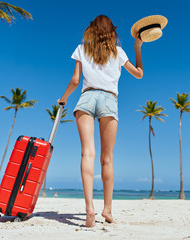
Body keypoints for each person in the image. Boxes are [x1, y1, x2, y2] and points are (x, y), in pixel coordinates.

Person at [57, 15, 143, 227]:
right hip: (109, 101)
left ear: (92, 30)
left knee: (87, 153)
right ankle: (107, 209)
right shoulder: (119, 53)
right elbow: (139, 74)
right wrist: (137, 46)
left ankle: (89, 210)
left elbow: (76, 80)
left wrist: (64, 98)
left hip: (86, 98)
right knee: (107, 159)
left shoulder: (81, 49)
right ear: (112, 32)